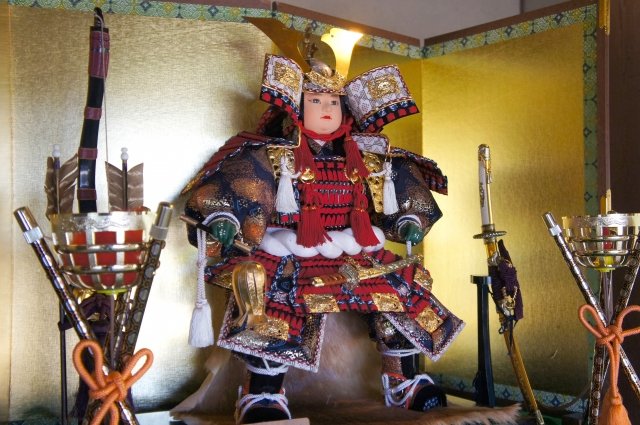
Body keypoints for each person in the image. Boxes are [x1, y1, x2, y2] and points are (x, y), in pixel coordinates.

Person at [182, 27, 463, 424]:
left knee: (400, 291)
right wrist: (224, 219)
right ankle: (263, 393)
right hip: (290, 251)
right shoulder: (271, 155)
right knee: (274, 303)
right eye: (315, 100)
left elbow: (399, 194)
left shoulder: (368, 158)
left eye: (333, 101)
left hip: (356, 249)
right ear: (297, 107)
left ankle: (404, 381)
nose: (326, 108)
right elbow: (238, 188)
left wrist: (409, 221)